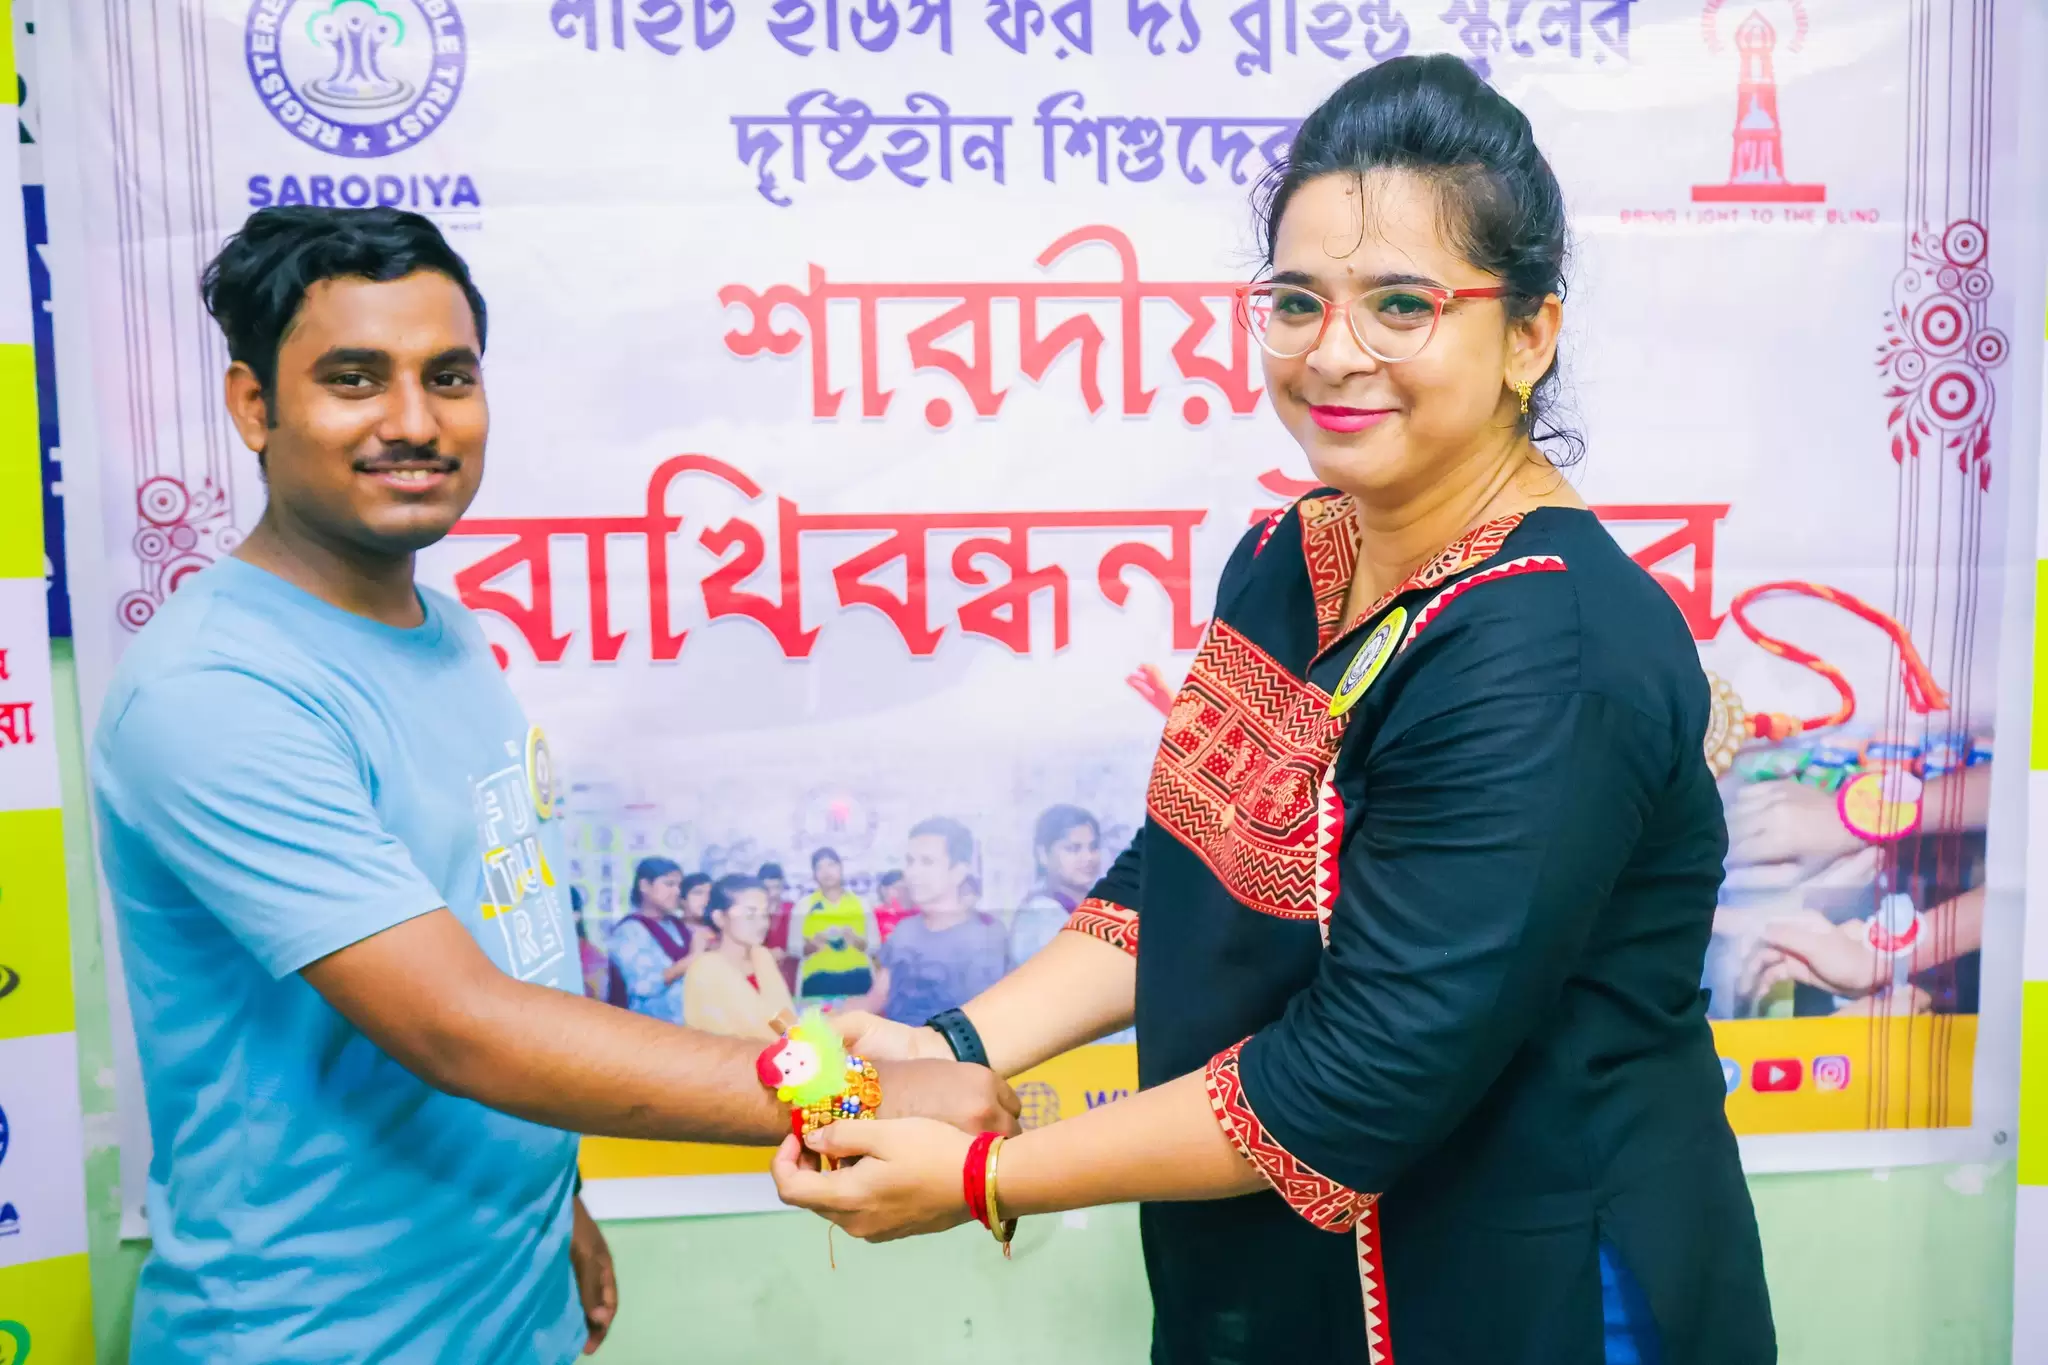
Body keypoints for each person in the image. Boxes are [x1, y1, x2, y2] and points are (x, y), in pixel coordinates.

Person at [772, 58, 1774, 1365]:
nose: (1332, 353)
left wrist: (982, 1178)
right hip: (1289, 1270)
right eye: (1297, 302)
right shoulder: (1291, 556)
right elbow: (1189, 867)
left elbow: (1358, 1073)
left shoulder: (1548, 646)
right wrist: (950, 1041)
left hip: (1521, 1284)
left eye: (1402, 306)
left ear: (1529, 335)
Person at [88, 206, 1018, 1365]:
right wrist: (852, 1092)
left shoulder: (444, 632)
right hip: (315, 1335)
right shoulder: (217, 690)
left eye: (449, 377)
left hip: (502, 1303)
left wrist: (552, 1194)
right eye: (353, 379)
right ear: (253, 407)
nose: (413, 421)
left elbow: (495, 947)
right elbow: (459, 1027)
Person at [869, 818, 1010, 1027]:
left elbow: (988, 1020)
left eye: (927, 862)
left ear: (958, 871)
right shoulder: (904, 930)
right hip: (897, 1044)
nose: (913, 872)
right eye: (910, 861)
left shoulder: (986, 935)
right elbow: (877, 997)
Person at [682, 875, 799, 1038]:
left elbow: (783, 1018)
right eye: (750, 914)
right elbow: (720, 1035)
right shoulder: (706, 969)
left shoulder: (762, 956)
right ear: (720, 918)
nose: (762, 923)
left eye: (764, 914)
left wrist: (795, 1039)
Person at [1007, 804, 1104, 965]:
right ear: (1043, 855)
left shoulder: (1097, 902)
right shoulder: (1040, 914)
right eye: (1073, 849)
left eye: (1093, 847)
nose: (1088, 857)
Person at [608, 856, 692, 1023]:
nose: (676, 892)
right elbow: (643, 986)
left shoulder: (676, 925)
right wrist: (692, 959)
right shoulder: (629, 931)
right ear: (644, 886)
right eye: (669, 884)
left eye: (679, 886)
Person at [796, 847, 876, 1003]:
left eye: (831, 865)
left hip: (858, 978)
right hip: (818, 980)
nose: (826, 872)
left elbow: (875, 946)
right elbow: (794, 949)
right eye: (820, 867)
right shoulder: (803, 906)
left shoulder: (862, 904)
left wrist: (855, 940)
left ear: (841, 868)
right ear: (814, 875)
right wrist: (812, 945)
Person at [759, 860, 800, 991]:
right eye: (767, 889)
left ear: (783, 886)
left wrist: (785, 953)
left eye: (776, 887)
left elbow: (803, 944)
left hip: (789, 974)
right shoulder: (754, 912)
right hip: (760, 973)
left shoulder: (793, 909)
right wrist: (767, 954)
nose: (772, 893)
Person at [871, 869, 913, 941]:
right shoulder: (876, 914)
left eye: (901, 888)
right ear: (882, 890)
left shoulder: (919, 913)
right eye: (887, 889)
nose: (891, 892)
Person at [679, 871, 715, 954]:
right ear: (682, 900)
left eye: (710, 894)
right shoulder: (672, 930)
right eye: (698, 893)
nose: (706, 898)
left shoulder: (721, 929)